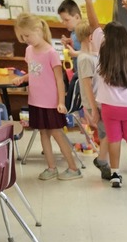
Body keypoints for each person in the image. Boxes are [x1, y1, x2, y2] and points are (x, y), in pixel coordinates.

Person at [85, 0, 127, 190]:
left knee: (114, 140)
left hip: (109, 107)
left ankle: (116, 174)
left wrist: (88, 0)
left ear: (107, 37)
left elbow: (93, 24)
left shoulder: (103, 47)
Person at [12, 12, 82, 182]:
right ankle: (51, 168)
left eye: (27, 35)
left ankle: (73, 168)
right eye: (22, 36)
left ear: (38, 30)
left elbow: (60, 80)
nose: (25, 39)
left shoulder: (51, 52)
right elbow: (34, 73)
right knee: (43, 134)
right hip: (35, 101)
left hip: (51, 102)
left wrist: (60, 102)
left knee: (57, 134)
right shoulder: (29, 50)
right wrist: (23, 78)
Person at [75, 18, 111, 180]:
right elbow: (87, 85)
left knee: (107, 134)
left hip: (101, 102)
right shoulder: (85, 59)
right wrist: (93, 109)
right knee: (110, 132)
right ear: (91, 37)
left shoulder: (93, 56)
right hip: (95, 103)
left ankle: (104, 161)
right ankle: (102, 161)